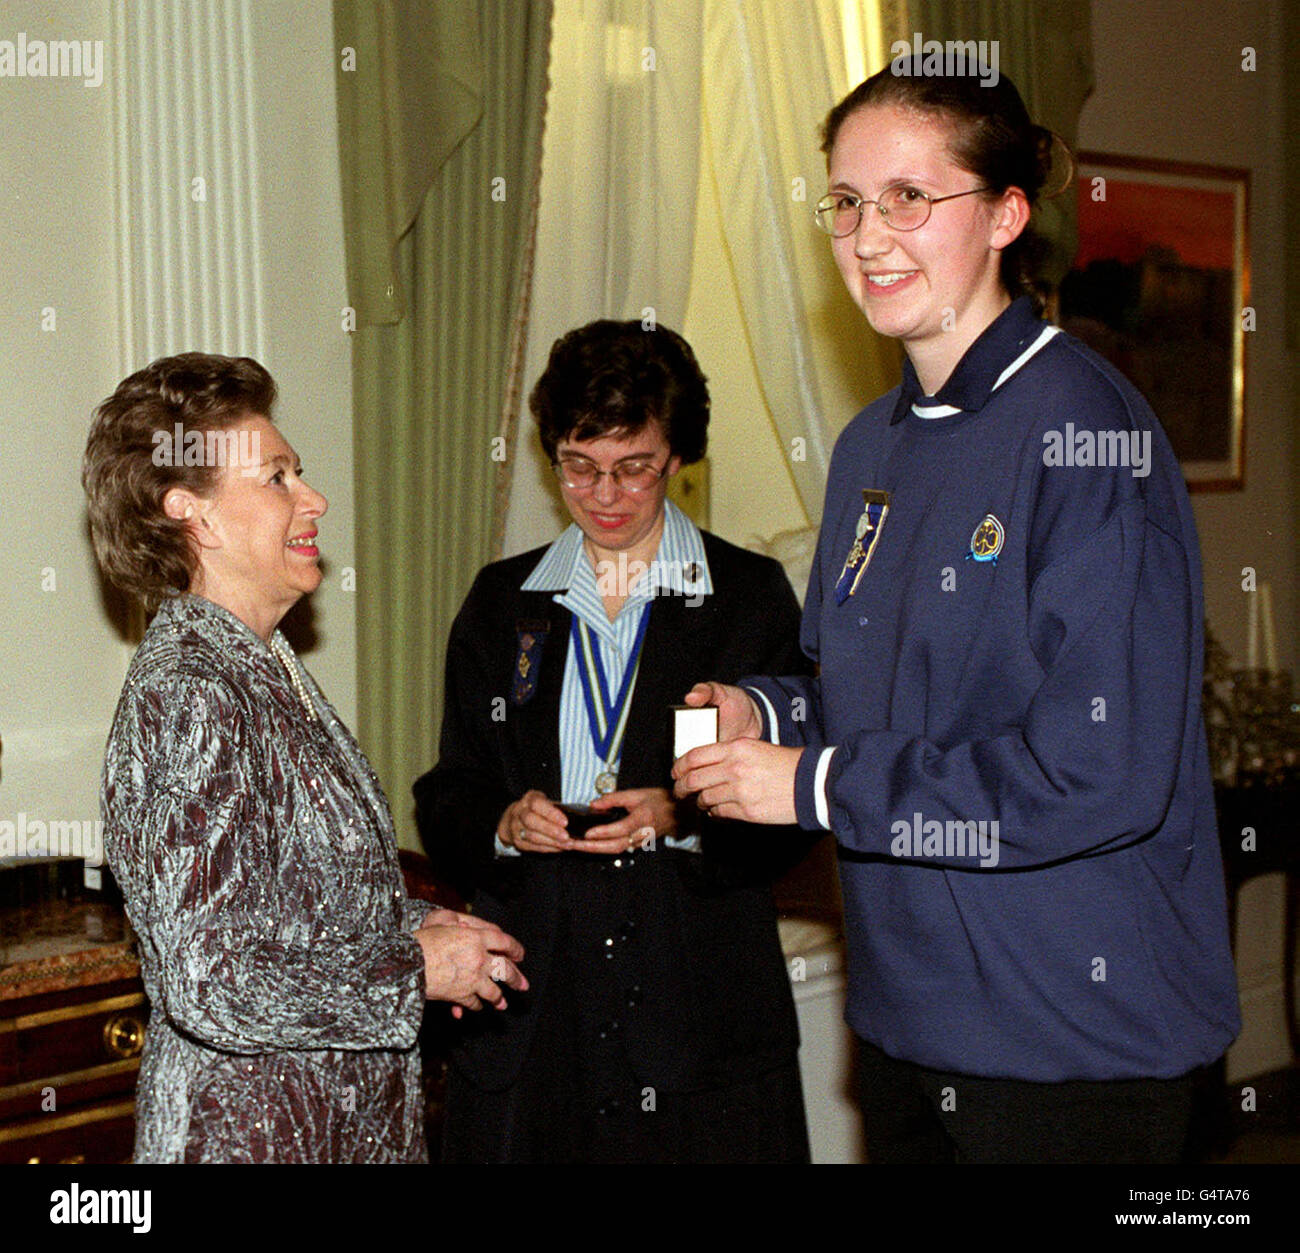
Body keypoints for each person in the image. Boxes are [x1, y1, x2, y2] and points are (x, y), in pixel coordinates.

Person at [672, 61, 1240, 1165]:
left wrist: (815, 782)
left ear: (1005, 215)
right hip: (906, 1030)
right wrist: (770, 716)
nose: (868, 236)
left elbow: (1098, 773)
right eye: (844, 202)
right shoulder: (870, 445)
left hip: (1071, 1055)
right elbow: (869, 695)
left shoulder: (1086, 435)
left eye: (907, 198)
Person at [83, 353, 527, 1164]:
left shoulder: (263, 662)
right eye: (277, 478)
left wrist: (416, 926)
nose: (312, 497)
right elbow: (209, 978)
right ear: (196, 517)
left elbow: (296, 913)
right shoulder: (191, 687)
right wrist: (410, 970)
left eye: (299, 472)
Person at [414, 319, 813, 1163]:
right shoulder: (502, 601)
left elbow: (794, 819)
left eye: (633, 467)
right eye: (578, 467)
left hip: (698, 1024)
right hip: (531, 1010)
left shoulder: (747, 597)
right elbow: (448, 791)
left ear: (677, 458)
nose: (604, 494)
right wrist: (502, 821)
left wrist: (684, 813)